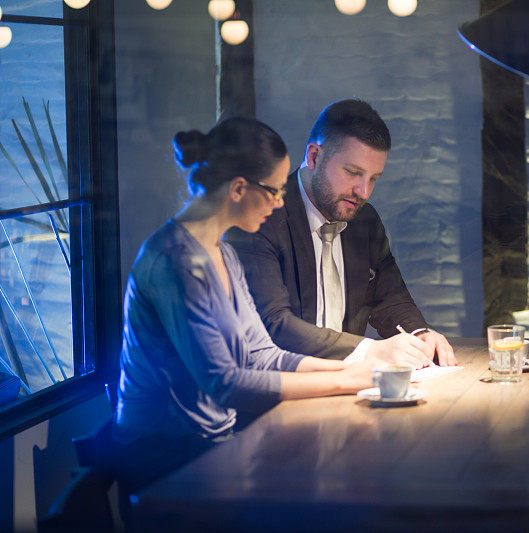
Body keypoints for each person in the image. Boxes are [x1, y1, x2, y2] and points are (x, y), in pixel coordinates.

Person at [113, 118, 374, 483]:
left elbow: (263, 355)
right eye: (275, 191)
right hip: (165, 458)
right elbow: (225, 383)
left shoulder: (224, 254)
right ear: (238, 188)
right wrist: (347, 381)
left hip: (212, 445)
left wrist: (360, 371)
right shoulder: (174, 260)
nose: (280, 203)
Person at [225, 99, 457, 367]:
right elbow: (274, 324)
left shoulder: (365, 219)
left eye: (373, 178)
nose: (364, 192)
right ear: (314, 156)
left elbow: (390, 298)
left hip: (350, 386)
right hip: (286, 386)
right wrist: (371, 351)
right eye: (353, 172)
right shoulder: (260, 217)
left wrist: (421, 334)